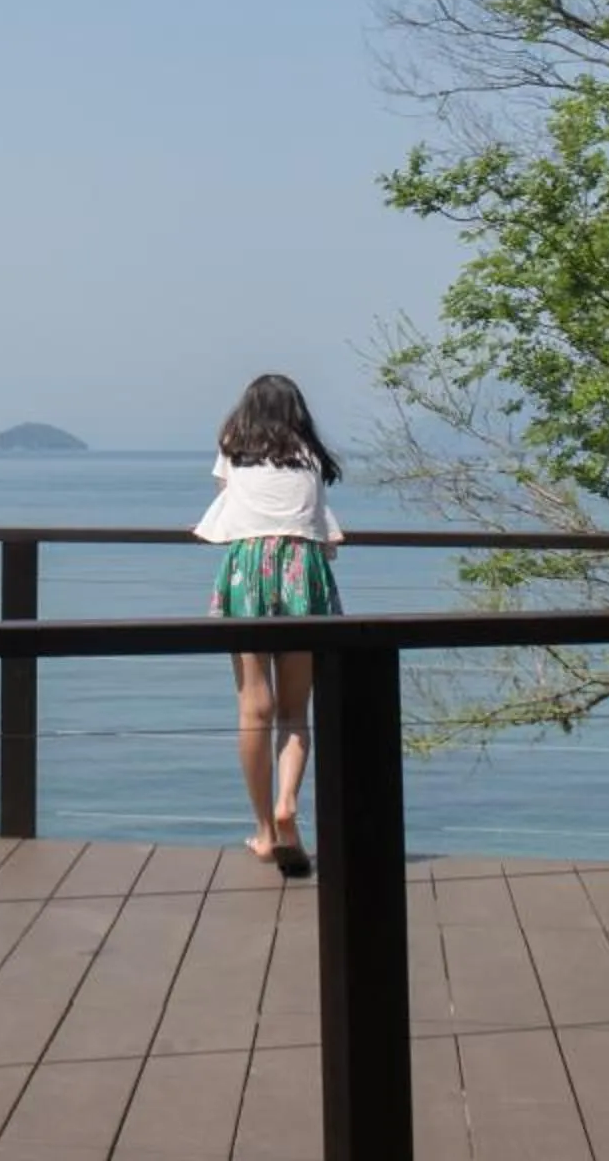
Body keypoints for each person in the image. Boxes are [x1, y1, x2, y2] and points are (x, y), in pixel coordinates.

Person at [197, 374, 345, 877]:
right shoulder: (309, 456)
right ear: (297, 412)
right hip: (303, 567)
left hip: (246, 571)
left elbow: (231, 501)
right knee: (294, 710)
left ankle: (263, 830)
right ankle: (287, 804)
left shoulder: (233, 449)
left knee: (253, 707)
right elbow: (317, 521)